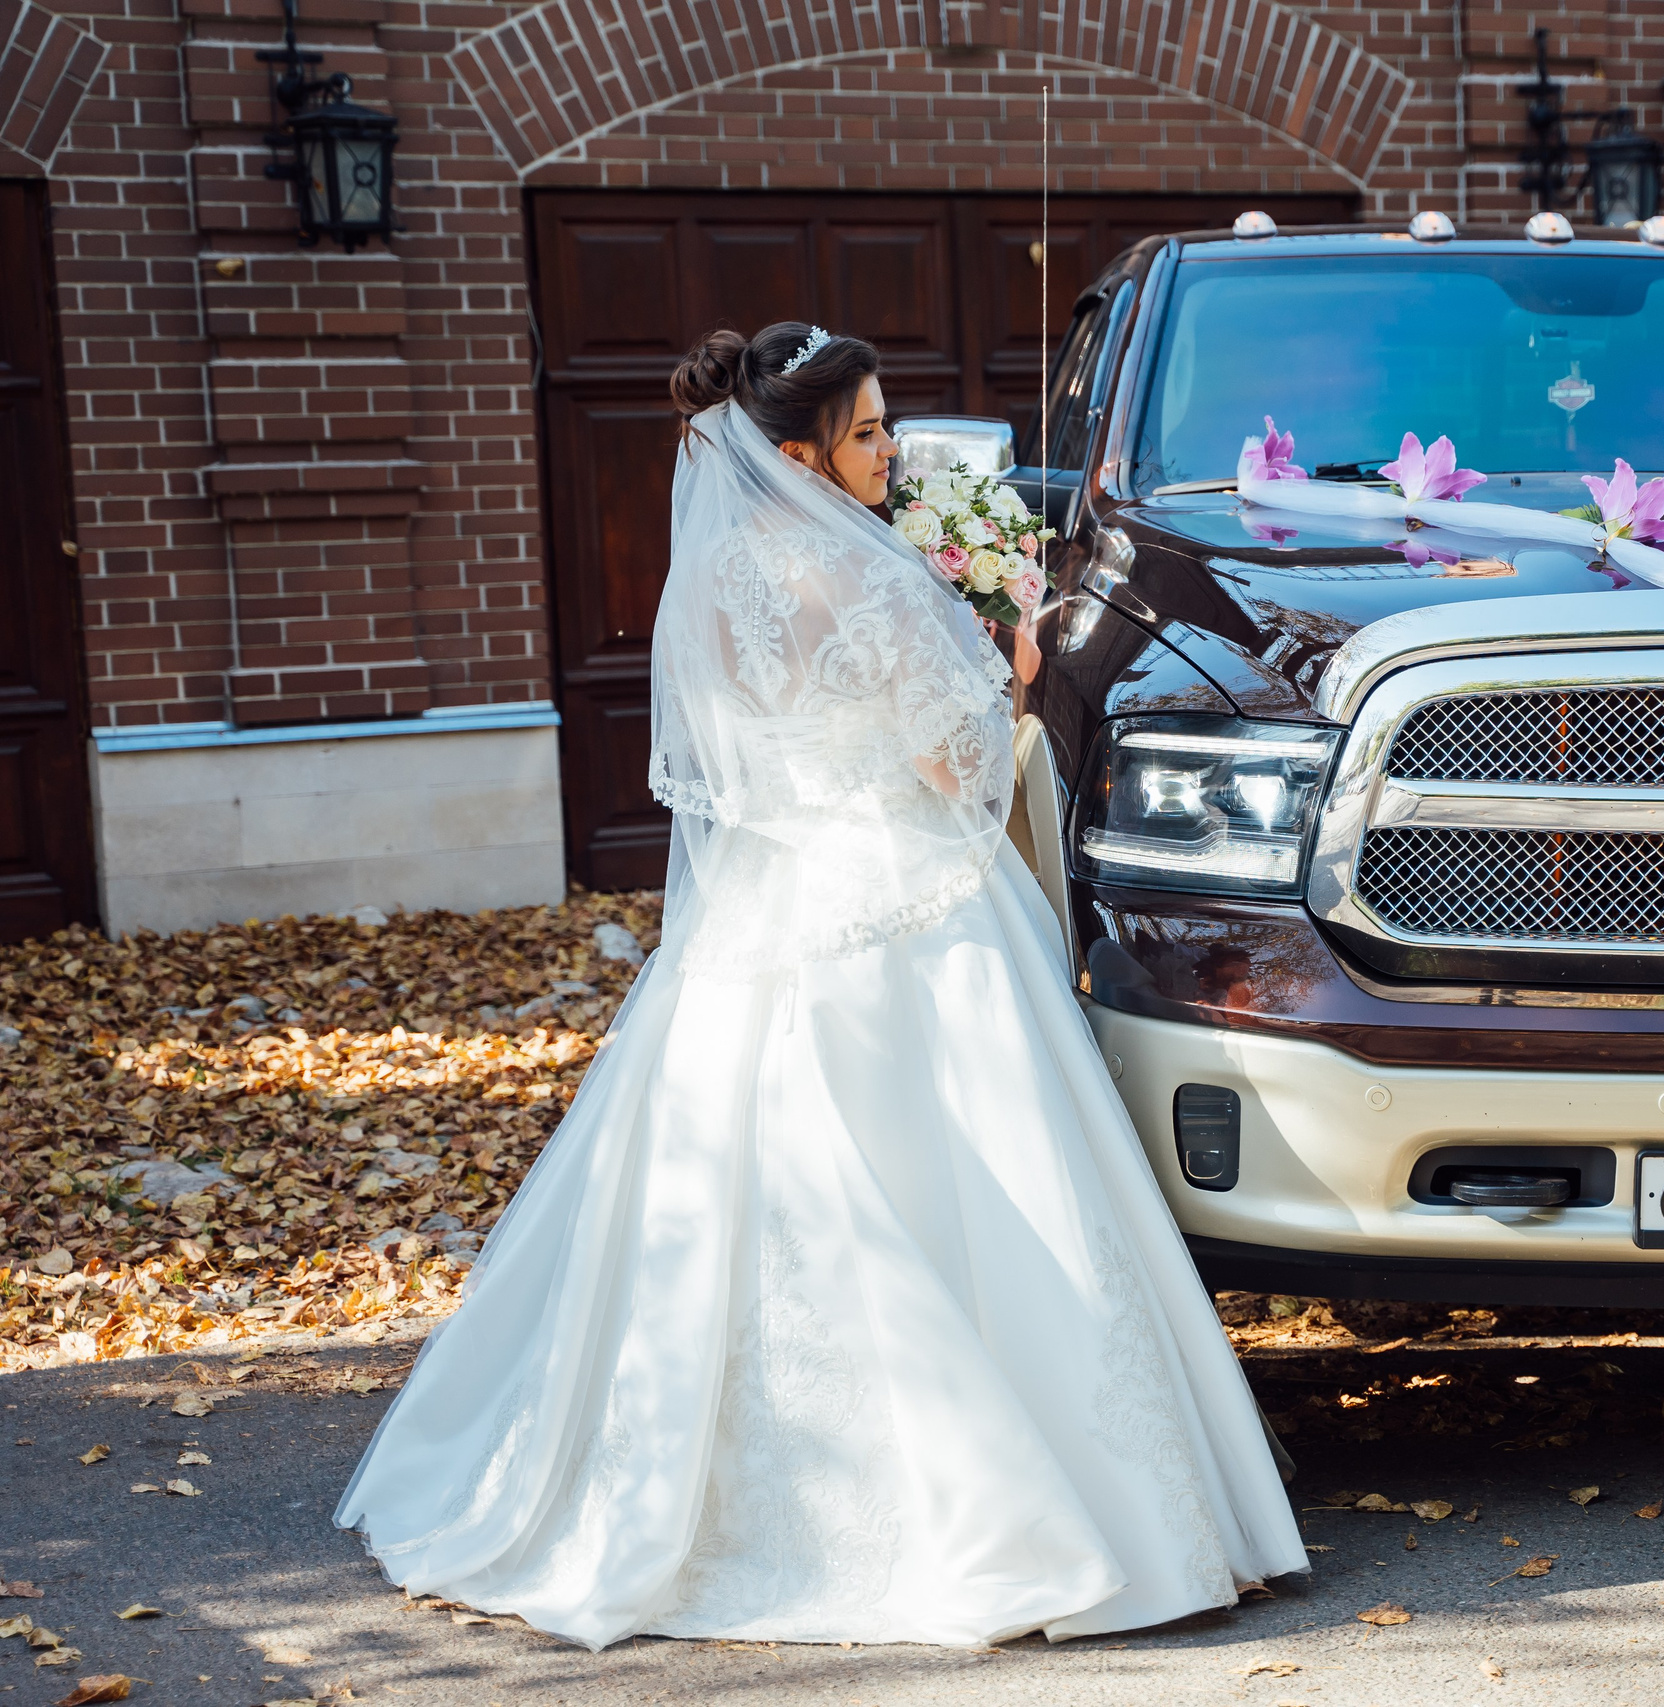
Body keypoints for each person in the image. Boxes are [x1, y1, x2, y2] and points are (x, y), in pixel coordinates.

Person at [336, 320, 1307, 1650]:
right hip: (910, 907)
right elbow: (954, 777)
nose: (889, 450)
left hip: (766, 908)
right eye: (865, 433)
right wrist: (1012, 672)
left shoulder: (714, 575)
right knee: (982, 1184)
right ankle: (1033, 1514)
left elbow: (738, 763)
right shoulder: (870, 581)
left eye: (885, 427)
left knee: (737, 1189)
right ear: (794, 453)